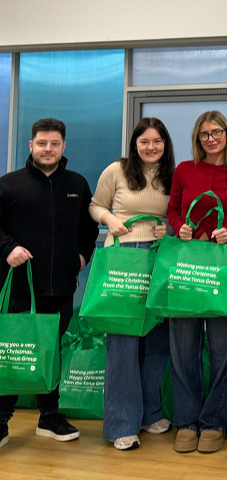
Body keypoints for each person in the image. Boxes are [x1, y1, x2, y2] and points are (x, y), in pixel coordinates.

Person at [0, 118, 99, 448]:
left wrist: (81, 257)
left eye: (54, 144)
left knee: (51, 352)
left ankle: (49, 417)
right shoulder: (9, 185)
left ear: (63, 147)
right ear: (31, 145)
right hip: (19, 288)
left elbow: (88, 229)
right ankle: (1, 420)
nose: (48, 149)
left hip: (60, 287)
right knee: (13, 351)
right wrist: (8, 248)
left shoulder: (77, 184)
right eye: (42, 143)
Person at [166, 110, 227, 453]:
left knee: (222, 348)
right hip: (187, 266)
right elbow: (173, 210)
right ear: (197, 138)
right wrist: (180, 227)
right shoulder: (184, 170)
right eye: (204, 134)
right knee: (183, 348)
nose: (211, 139)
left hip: (223, 267)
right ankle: (186, 421)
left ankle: (215, 421)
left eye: (217, 132)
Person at [89, 117, 176, 450]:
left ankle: (150, 414)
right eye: (144, 141)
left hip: (159, 258)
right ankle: (122, 424)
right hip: (124, 257)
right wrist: (110, 219)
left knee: (157, 339)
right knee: (124, 342)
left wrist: (169, 228)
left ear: (165, 144)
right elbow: (95, 205)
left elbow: (178, 215)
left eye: (157, 141)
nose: (151, 147)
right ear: (134, 144)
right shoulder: (117, 170)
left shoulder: (173, 174)